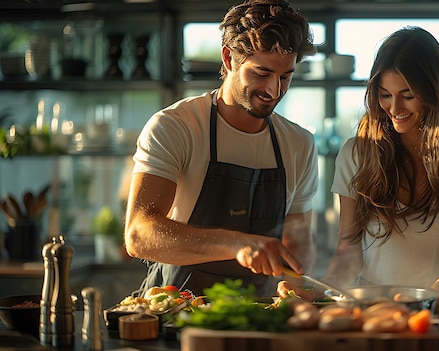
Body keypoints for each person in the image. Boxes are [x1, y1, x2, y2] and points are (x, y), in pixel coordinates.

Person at [124, 0, 318, 297]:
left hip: (257, 317)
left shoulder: (299, 144)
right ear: (229, 59)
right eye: (261, 73)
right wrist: (236, 243)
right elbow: (140, 235)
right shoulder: (176, 127)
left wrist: (298, 297)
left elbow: (297, 242)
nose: (274, 91)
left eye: (285, 77)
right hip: (176, 313)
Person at [320, 27, 439, 317]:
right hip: (378, 317)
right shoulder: (357, 153)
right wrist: (320, 290)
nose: (394, 108)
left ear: (433, 91)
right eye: (385, 95)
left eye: (407, 95)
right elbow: (348, 250)